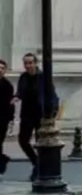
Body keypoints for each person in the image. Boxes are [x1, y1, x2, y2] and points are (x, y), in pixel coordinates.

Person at [12, 53, 42, 181]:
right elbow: (20, 92)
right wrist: (16, 97)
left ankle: (40, 169)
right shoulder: (23, 77)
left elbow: (50, 93)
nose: (28, 65)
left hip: (41, 114)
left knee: (41, 143)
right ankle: (37, 163)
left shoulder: (43, 77)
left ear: (36, 63)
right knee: (23, 141)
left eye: (30, 63)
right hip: (27, 114)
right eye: (26, 63)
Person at [0, 59, 14, 174]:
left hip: (2, 119)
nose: (0, 70)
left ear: (5, 71)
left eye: (2, 68)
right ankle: (2, 159)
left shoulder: (8, 86)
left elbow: (10, 104)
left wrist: (11, 120)